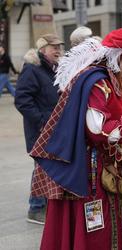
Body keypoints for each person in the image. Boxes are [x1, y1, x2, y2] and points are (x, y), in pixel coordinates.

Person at [29, 28, 122, 250]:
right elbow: (97, 129)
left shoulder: (114, 79)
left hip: (108, 166)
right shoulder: (97, 81)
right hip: (89, 170)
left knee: (106, 222)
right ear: (118, 53)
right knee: (95, 226)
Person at [14, 34, 64, 224]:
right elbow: (22, 100)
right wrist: (43, 121)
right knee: (42, 167)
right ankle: (35, 208)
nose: (58, 50)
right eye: (53, 47)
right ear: (43, 49)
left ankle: (45, 205)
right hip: (41, 129)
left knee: (49, 168)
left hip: (55, 129)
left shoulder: (55, 69)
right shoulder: (32, 69)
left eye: (59, 46)